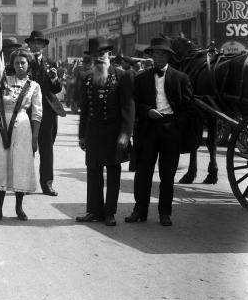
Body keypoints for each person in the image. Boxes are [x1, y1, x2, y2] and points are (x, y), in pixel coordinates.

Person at [127, 37, 195, 227]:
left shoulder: (181, 78)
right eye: (156, 53)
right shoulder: (140, 79)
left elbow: (189, 107)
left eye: (163, 53)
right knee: (143, 173)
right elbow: (134, 104)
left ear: (168, 56)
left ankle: (165, 213)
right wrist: (147, 111)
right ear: (151, 56)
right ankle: (139, 211)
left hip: (170, 130)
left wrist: (176, 125)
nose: (159, 57)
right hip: (148, 129)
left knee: (167, 175)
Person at [75, 37, 134, 227]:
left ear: (110, 54)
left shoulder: (122, 76)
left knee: (113, 172)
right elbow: (84, 109)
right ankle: (94, 211)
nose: (99, 58)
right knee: (93, 171)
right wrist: (82, 135)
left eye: (102, 54)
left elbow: (128, 107)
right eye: (95, 55)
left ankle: (109, 213)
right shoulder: (87, 78)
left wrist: (126, 133)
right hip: (93, 133)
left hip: (114, 133)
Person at [0, 49, 42, 222]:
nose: (19, 66)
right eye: (17, 63)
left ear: (28, 65)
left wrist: (34, 138)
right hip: (4, 125)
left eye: (23, 63)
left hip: (23, 127)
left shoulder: (34, 86)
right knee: (1, 164)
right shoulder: (5, 81)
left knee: (20, 165)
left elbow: (37, 114)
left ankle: (19, 208)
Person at [24, 30, 65, 196]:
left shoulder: (50, 63)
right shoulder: (23, 62)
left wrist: (54, 79)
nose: (36, 46)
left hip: (47, 112)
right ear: (29, 45)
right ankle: (25, 184)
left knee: (46, 149)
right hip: (27, 111)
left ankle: (47, 184)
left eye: (39, 43)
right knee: (27, 149)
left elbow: (56, 89)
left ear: (43, 46)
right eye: (33, 43)